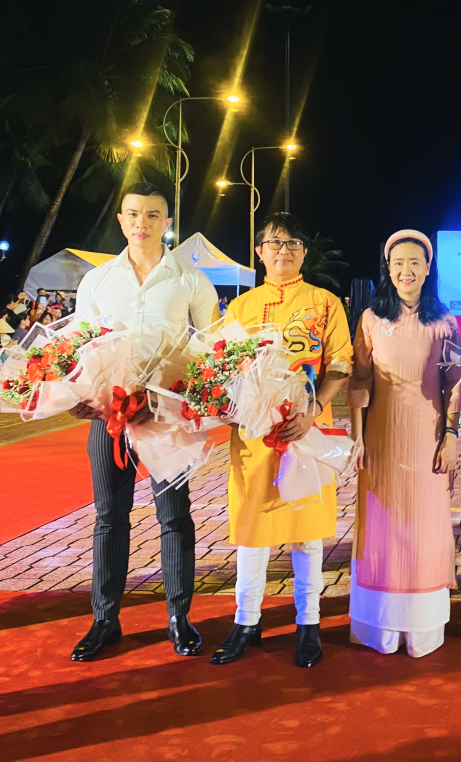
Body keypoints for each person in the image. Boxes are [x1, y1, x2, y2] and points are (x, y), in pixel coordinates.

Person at [68, 182, 218, 661]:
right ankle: (105, 620)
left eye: (153, 215)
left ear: (167, 222)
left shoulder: (190, 280)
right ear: (121, 219)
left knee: (174, 517)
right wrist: (74, 392)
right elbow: (79, 343)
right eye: (134, 214)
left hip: (165, 417)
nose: (142, 223)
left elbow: (213, 346)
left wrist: (195, 393)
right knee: (109, 518)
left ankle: (180, 618)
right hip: (107, 418)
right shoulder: (97, 281)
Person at [211, 212, 353, 669]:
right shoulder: (239, 310)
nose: (283, 250)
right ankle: (245, 622)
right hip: (253, 440)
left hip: (304, 435)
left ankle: (308, 624)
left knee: (306, 534)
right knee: (252, 531)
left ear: (304, 252)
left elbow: (340, 366)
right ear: (260, 251)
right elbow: (220, 371)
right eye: (274, 242)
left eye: (293, 242)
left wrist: (313, 410)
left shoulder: (325, 302)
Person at [347, 230, 461, 657]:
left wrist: (450, 436)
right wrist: (357, 439)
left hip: (428, 438)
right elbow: (359, 383)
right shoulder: (371, 319)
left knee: (425, 527)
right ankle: (381, 627)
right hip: (380, 439)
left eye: (415, 262)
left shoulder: (443, 323)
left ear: (428, 268)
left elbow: (455, 384)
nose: (406, 270)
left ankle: (422, 630)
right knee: (382, 525)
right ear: (388, 267)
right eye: (398, 263)